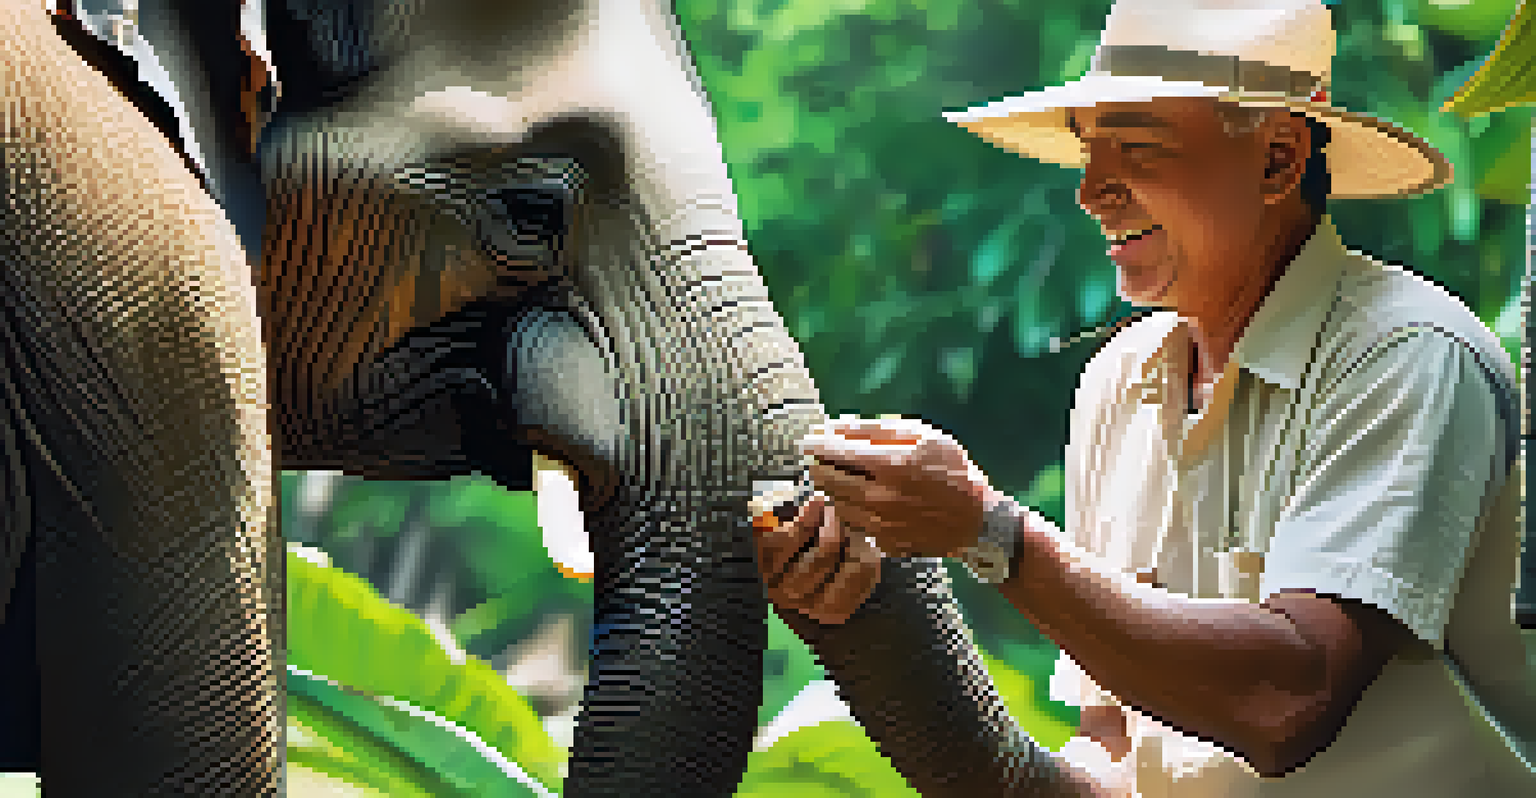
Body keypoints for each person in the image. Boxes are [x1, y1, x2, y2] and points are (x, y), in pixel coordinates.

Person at [754, 0, 1536, 794]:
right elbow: (1115, 745)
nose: (1092, 191)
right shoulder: (1121, 379)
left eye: (1136, 148)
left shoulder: (1405, 355)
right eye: (1091, 153)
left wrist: (991, 532)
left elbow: (1289, 698)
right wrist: (870, 596)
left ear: (1277, 159)